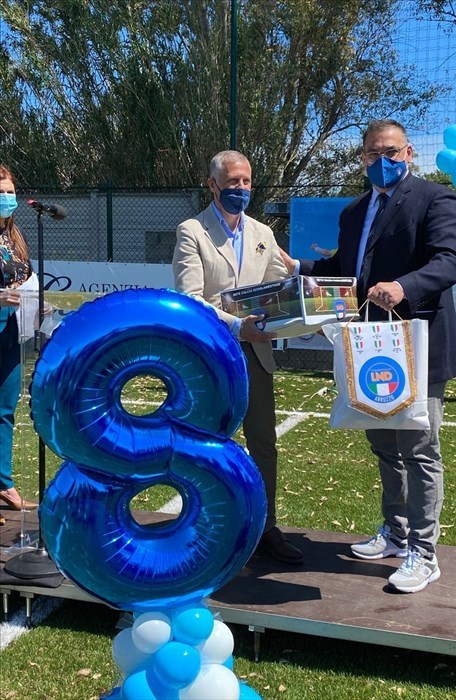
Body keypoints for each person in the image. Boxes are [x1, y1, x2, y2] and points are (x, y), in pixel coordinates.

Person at [280, 119, 456, 592]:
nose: (381, 161)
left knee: (419, 447)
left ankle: (424, 552)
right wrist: (299, 266)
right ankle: (397, 534)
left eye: (391, 151)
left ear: (408, 153)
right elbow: (345, 271)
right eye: (371, 154)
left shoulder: (434, 198)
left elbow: (450, 259)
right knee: (384, 443)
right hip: (370, 347)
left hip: (418, 341)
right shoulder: (354, 210)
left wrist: (403, 287)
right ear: (362, 158)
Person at [172, 150, 303, 565]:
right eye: (232, 182)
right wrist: (235, 325)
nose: (241, 189)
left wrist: (295, 303)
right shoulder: (192, 230)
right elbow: (190, 298)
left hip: (256, 354)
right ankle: (208, 523)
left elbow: (277, 287)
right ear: (212, 184)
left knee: (264, 442)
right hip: (211, 356)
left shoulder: (264, 231)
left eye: (246, 181)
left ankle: (265, 527)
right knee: (209, 443)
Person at [0, 165, 38, 517]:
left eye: (11, 191)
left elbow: (24, 276)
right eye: (2, 192)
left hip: (12, 330)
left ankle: (4, 484)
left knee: (5, 409)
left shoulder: (14, 237)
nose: (8, 198)